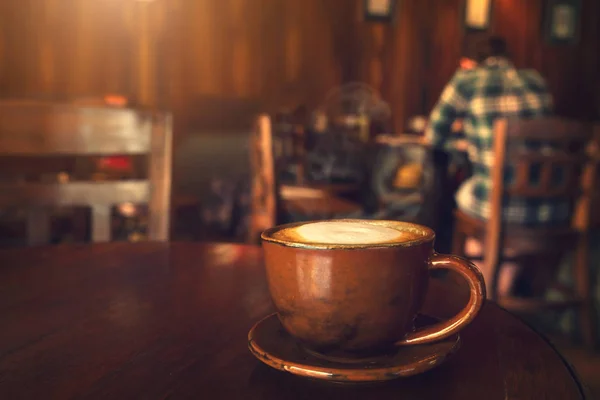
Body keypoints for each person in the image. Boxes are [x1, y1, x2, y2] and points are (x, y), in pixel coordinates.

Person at [425, 36, 559, 295]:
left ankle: (480, 293)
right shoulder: (535, 80)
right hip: (552, 207)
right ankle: (502, 288)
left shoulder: (467, 80)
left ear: (466, 63)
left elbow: (434, 135)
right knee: (502, 196)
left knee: (469, 194)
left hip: (499, 207)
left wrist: (464, 144)